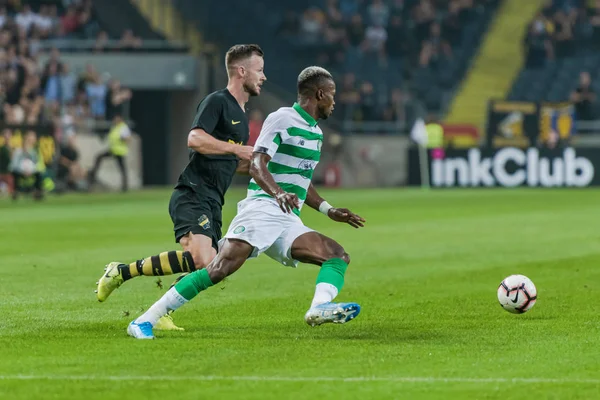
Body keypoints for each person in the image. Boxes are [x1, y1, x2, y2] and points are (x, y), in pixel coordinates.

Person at [127, 66, 365, 340]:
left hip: (287, 217)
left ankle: (318, 308)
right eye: (332, 96)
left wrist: (328, 209)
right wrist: (277, 193)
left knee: (336, 255)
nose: (334, 102)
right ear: (320, 94)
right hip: (263, 209)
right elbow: (256, 164)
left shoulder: (316, 133)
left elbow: (301, 180)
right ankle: (144, 320)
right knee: (218, 269)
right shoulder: (282, 119)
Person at [95, 44, 265, 329]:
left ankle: (156, 307)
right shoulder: (217, 102)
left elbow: (229, 161)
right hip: (193, 192)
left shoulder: (241, 115)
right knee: (205, 260)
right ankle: (122, 274)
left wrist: (264, 167)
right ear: (241, 71)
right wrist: (237, 150)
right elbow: (195, 139)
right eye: (259, 70)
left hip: (214, 200)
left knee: (207, 265)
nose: (264, 77)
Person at [88, 112, 131, 192]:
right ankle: (92, 177)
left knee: (122, 168)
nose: (114, 120)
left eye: (116, 118)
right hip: (113, 150)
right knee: (99, 157)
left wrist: (122, 139)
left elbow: (128, 139)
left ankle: (125, 186)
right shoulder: (115, 127)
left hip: (119, 151)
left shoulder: (123, 128)